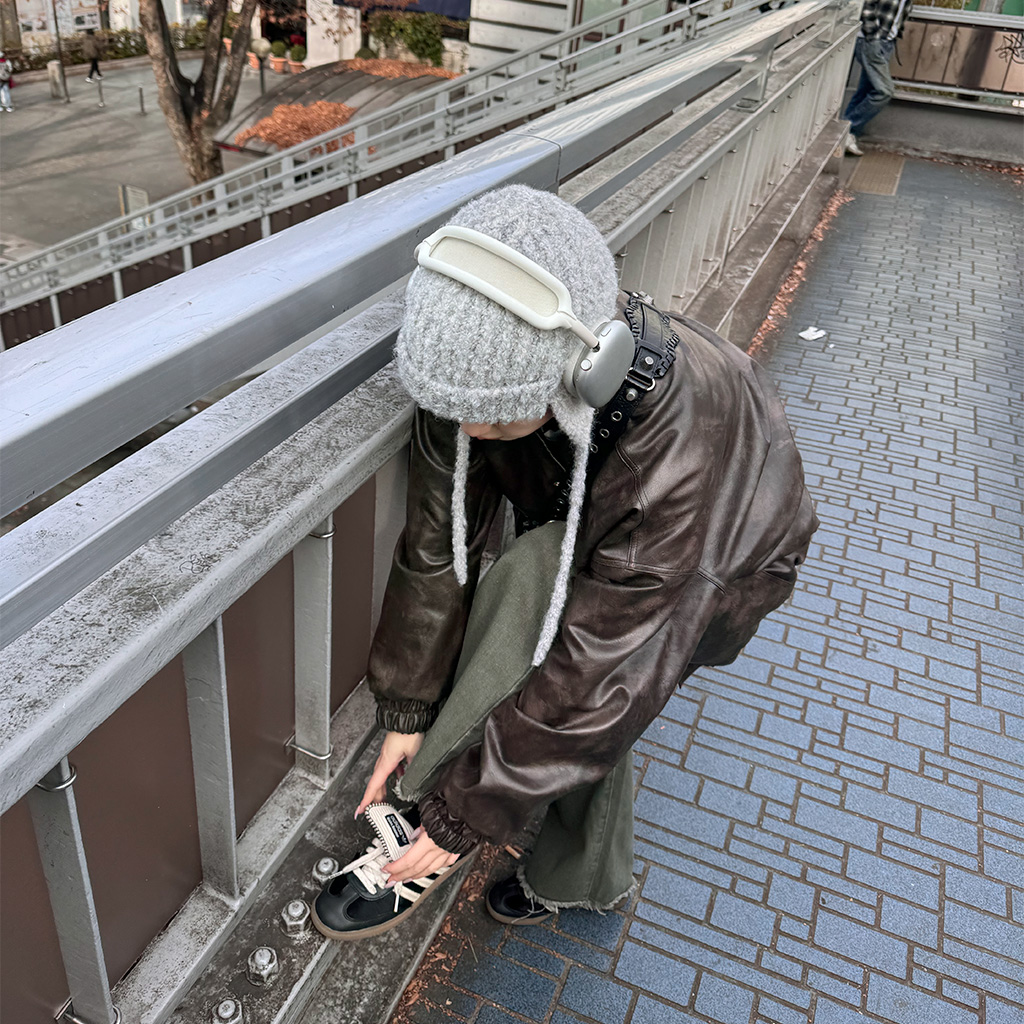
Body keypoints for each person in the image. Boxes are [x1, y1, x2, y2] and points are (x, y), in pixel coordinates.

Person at [310, 185, 818, 940]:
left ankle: (437, 833)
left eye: (495, 418)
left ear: (587, 371)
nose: (470, 432)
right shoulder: (469, 364)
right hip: (612, 520)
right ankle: (584, 877)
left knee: (589, 665)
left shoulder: (674, 466)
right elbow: (437, 542)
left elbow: (606, 670)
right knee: (580, 675)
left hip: (726, 557)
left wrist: (459, 817)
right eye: (457, 413)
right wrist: (406, 711)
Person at [842, 0, 913, 156]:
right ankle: (845, 131)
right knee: (884, 91)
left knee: (866, 91)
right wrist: (872, 36)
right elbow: (867, 6)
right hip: (872, 41)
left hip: (887, 42)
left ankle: (846, 134)